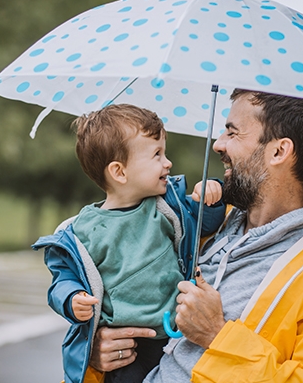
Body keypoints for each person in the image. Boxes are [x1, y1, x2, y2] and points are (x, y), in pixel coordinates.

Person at [84, 89, 303, 383]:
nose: (218, 144)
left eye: (232, 133)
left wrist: (217, 335)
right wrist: (97, 357)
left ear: (279, 151)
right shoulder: (197, 226)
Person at [32, 104, 227, 383]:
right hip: (127, 347)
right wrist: (71, 298)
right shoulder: (82, 231)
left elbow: (203, 227)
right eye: (156, 154)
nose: (168, 163)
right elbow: (63, 278)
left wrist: (211, 199)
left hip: (177, 335)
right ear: (119, 172)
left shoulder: (166, 207)